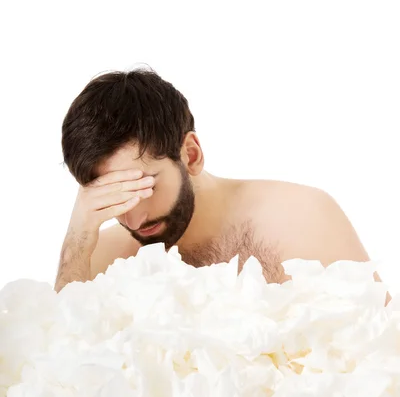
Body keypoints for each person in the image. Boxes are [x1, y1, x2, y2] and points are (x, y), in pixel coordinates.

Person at [55, 67, 391, 307]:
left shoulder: (300, 218)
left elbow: (383, 359)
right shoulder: (103, 257)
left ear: (190, 154)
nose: (133, 219)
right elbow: (57, 377)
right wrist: (76, 242)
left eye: (142, 187)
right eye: (112, 197)